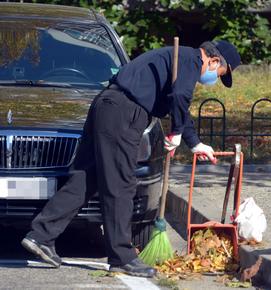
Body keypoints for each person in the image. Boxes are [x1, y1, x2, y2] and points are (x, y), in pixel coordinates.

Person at [20, 40, 241, 277]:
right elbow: (180, 96)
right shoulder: (191, 60)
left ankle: (40, 235)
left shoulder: (179, 58)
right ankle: (122, 257)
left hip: (106, 104)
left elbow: (179, 105)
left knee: (86, 177)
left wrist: (195, 143)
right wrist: (176, 133)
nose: (214, 79)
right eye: (219, 74)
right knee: (121, 184)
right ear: (214, 60)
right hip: (124, 114)